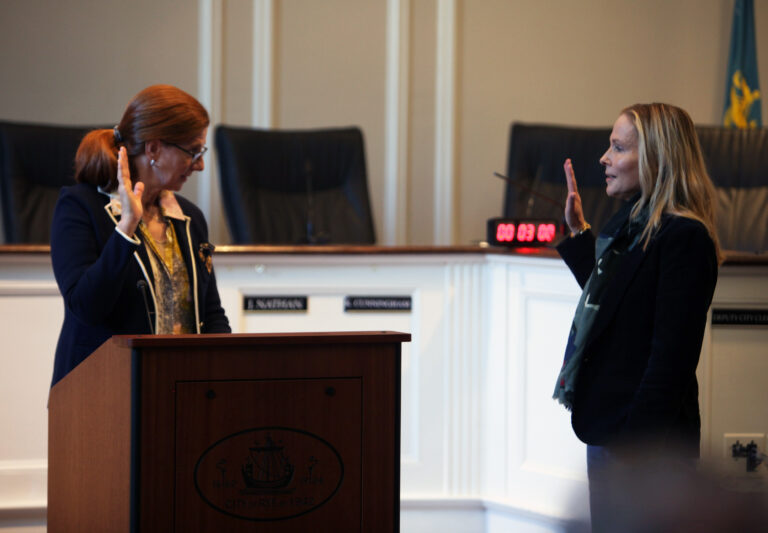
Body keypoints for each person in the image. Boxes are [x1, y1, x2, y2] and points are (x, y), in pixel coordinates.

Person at [551, 103, 721, 531]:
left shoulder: (685, 238)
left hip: (647, 448)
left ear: (656, 160)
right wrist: (579, 234)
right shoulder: (632, 223)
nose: (604, 159)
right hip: (610, 431)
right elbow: (614, 304)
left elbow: (670, 363)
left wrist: (634, 455)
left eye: (618, 148)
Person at [50, 84, 231, 387]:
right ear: (154, 148)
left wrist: (227, 373)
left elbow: (210, 312)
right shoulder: (79, 206)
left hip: (182, 388)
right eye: (193, 151)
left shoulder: (189, 218)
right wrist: (127, 227)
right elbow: (86, 307)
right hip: (99, 393)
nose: (199, 164)